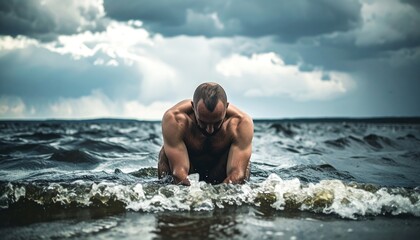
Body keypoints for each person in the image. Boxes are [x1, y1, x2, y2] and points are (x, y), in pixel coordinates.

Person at [158, 82, 254, 185]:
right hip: (190, 169)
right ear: (193, 107)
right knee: (165, 152)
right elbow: (178, 172)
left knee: (244, 165)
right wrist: (194, 197)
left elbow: (237, 174)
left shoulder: (241, 123)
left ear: (226, 107)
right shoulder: (175, 119)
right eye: (203, 122)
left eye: (217, 122)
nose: (210, 130)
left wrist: (218, 196)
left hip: (221, 171)